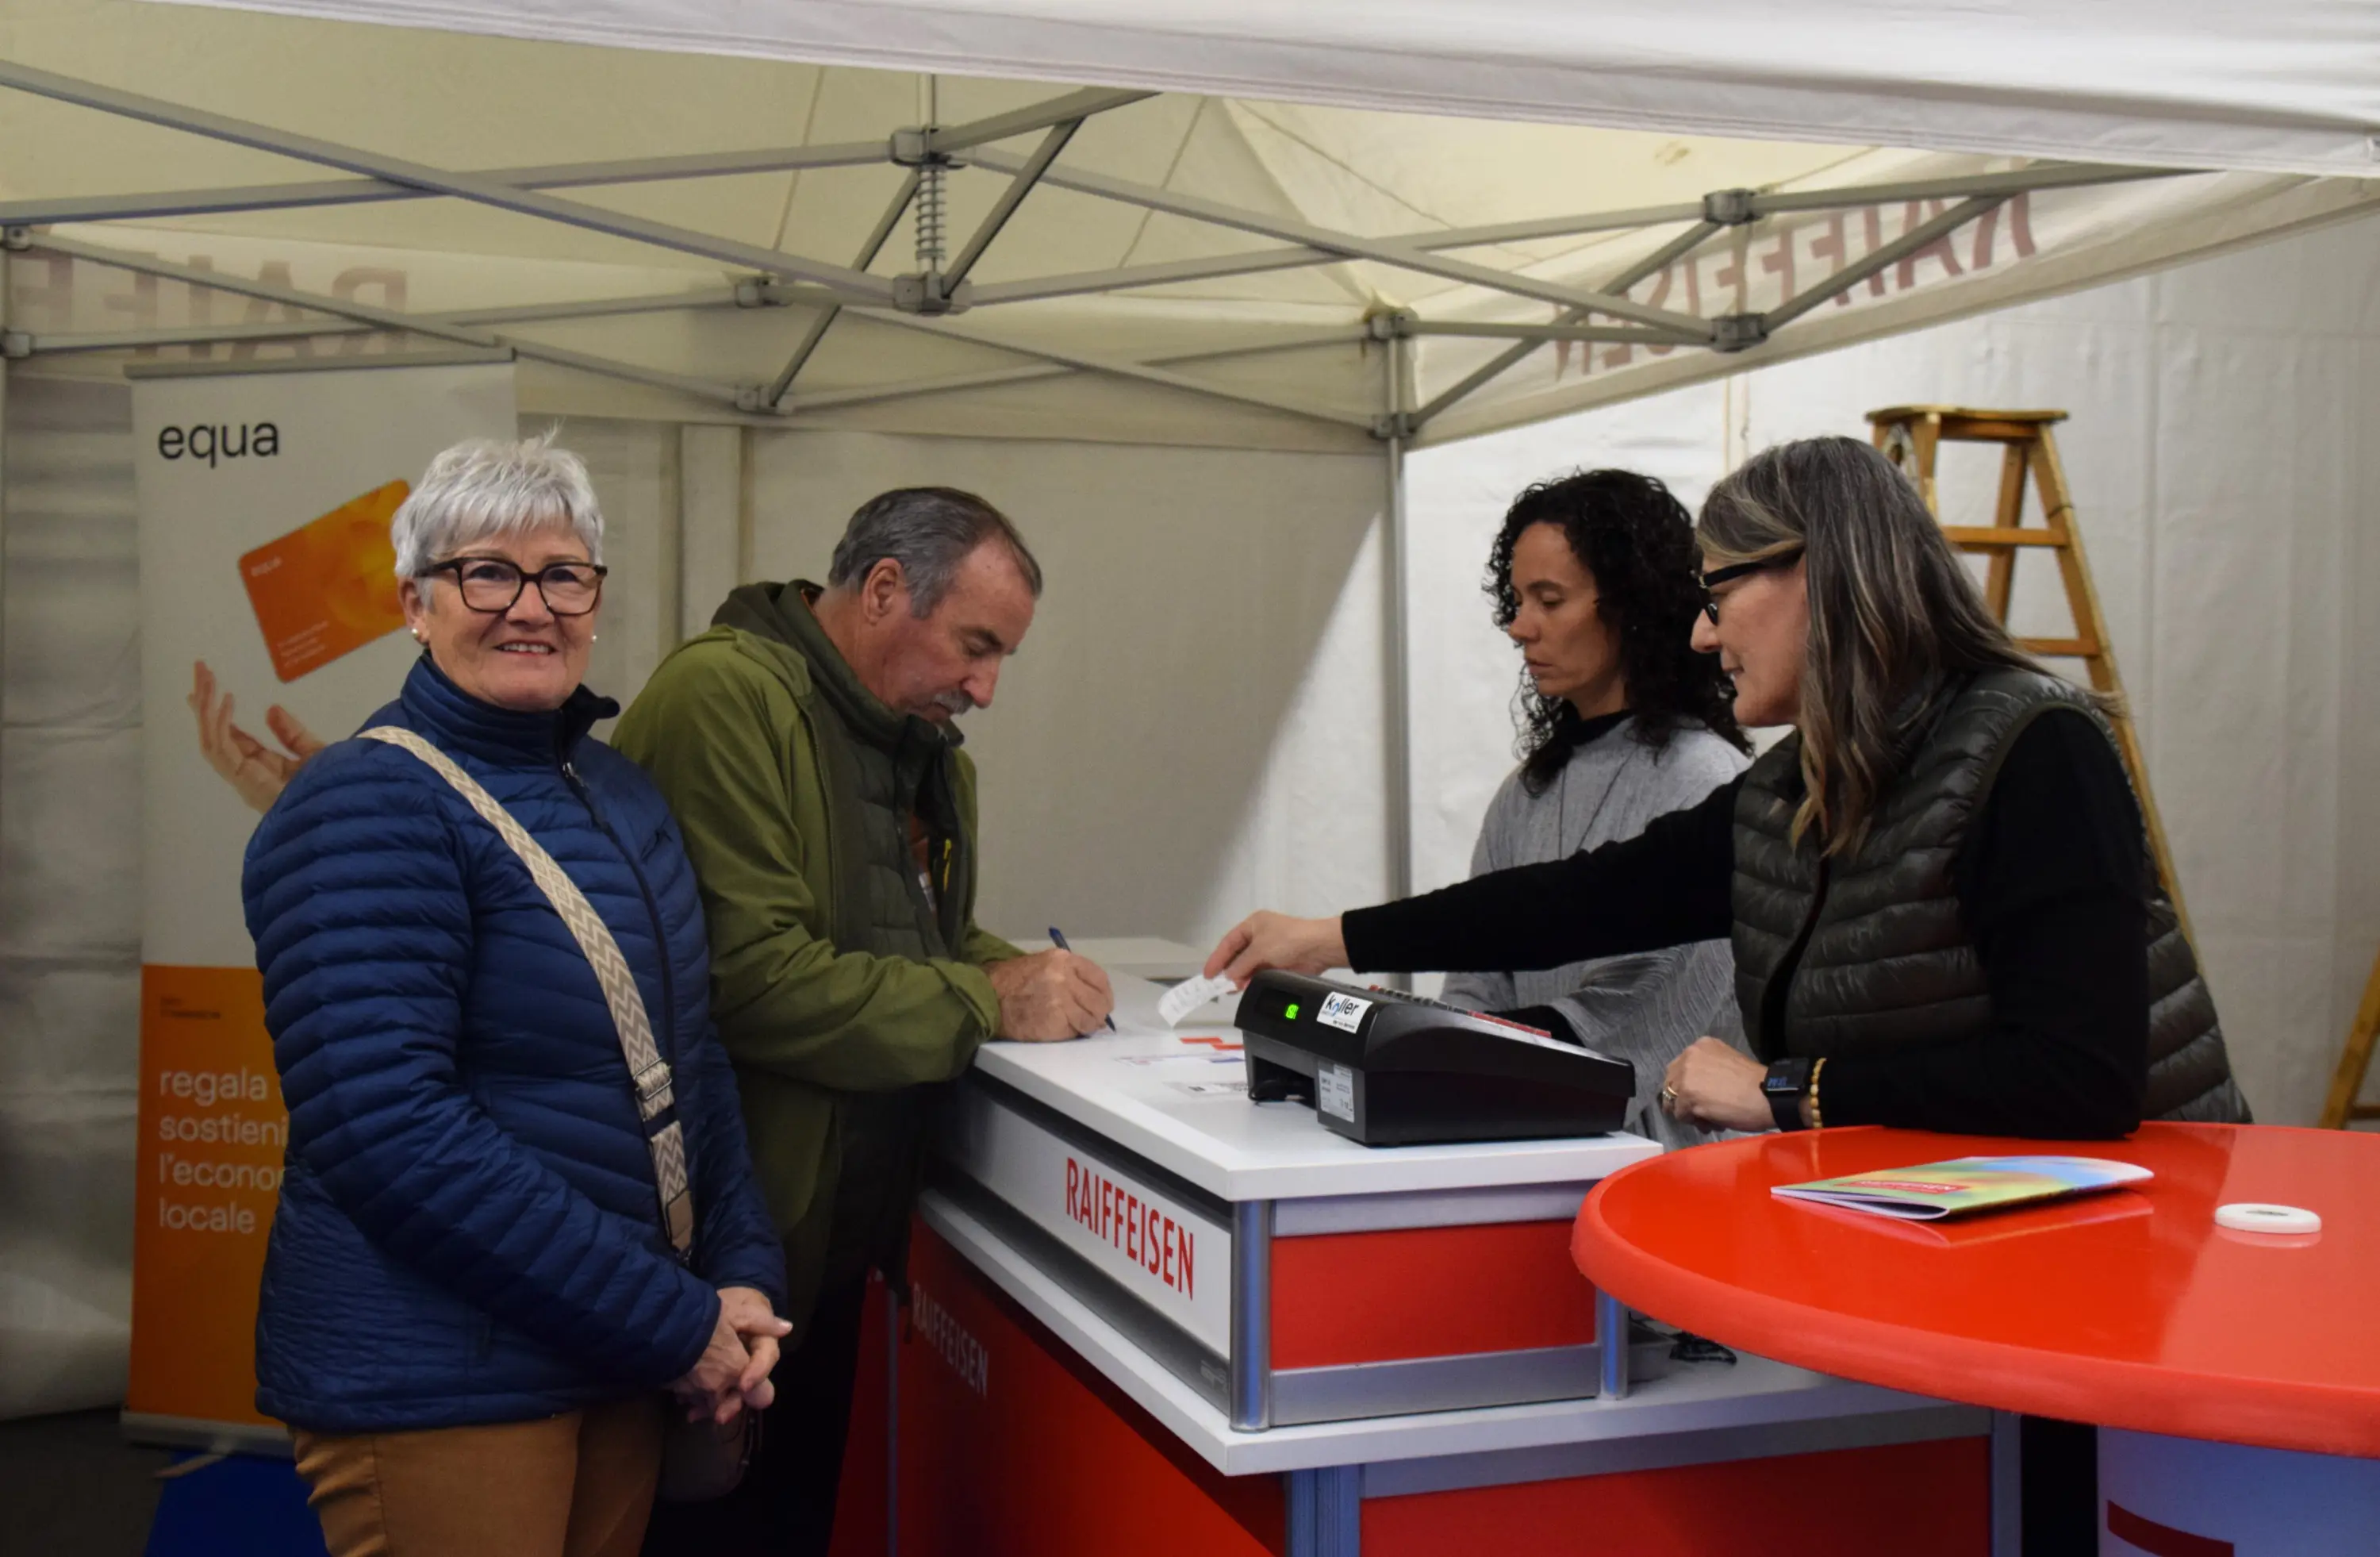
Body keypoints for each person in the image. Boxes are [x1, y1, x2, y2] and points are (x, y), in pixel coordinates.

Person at [1209, 434, 2248, 1141]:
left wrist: (1785, 1090)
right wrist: (1334, 935)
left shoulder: (2036, 749)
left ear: (1816, 572)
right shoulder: (1801, 785)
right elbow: (1584, 899)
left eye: (1718, 595)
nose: (1702, 633)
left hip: (2127, 1264)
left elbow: (2078, 1077)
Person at [240, 436, 790, 1557]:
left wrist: (740, 1275)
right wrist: (675, 1319)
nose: (530, 606)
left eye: (564, 574)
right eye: (486, 572)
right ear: (414, 603)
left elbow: (692, 1062)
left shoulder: (618, 790)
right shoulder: (363, 804)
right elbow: (388, 1130)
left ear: (594, 596)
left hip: (615, 1346)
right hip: (443, 1370)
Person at [612, 486, 1115, 1557]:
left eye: (1002, 659)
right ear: (886, 589)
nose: (984, 686)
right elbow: (750, 977)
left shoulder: (920, 749)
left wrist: (1020, 967)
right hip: (716, 1251)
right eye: (976, 646)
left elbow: (911, 942)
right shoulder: (727, 698)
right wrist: (989, 997)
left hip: (830, 1245)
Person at [1440, 470, 1751, 1148]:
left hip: (1666, 1175)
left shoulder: (1705, 780)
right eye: (1517, 600)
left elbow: (1643, 1013)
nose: (1521, 627)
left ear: (1632, 606)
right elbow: (1474, 975)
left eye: (1549, 600)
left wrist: (1468, 1066)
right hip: (1523, 1144)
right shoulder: (1526, 790)